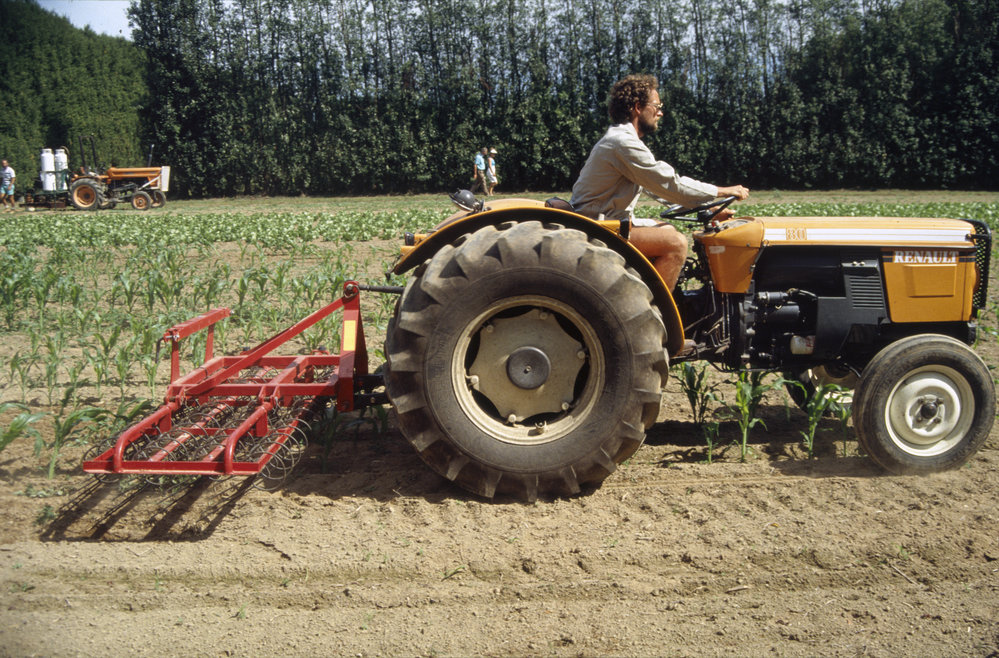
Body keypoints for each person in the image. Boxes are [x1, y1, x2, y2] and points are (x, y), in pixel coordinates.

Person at [570, 74, 748, 289]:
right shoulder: (622, 143)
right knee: (676, 245)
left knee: (667, 230)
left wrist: (707, 208)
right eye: (657, 106)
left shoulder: (621, 140)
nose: (661, 113)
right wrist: (722, 191)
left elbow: (658, 190)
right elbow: (672, 185)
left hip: (603, 221)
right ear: (637, 107)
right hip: (598, 227)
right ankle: (656, 314)